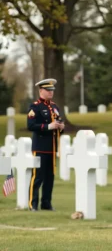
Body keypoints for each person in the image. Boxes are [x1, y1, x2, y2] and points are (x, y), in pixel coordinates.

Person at [27, 79, 64, 211]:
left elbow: (58, 125)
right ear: (41, 90)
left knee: (50, 178)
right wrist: (48, 126)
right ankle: (33, 203)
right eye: (48, 90)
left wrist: (60, 127)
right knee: (37, 177)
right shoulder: (35, 107)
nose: (50, 93)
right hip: (40, 147)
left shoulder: (54, 107)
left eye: (52, 90)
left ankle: (46, 203)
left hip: (52, 147)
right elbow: (31, 126)